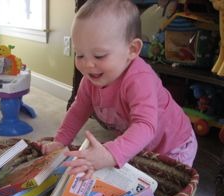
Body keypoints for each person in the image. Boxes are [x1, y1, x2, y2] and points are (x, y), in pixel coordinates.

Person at [41, 0, 197, 179]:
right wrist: (60, 142)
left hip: (174, 144)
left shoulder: (140, 79)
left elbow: (145, 125)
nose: (87, 64)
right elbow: (78, 110)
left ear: (132, 49)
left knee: (160, 189)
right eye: (80, 54)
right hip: (143, 145)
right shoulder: (90, 80)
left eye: (99, 55)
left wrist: (111, 153)